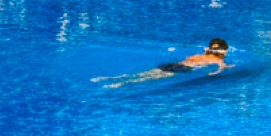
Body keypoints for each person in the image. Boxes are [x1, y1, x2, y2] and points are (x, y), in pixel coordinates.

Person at [98, 38, 230, 86]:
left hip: (174, 64)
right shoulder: (216, 59)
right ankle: (119, 84)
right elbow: (220, 68)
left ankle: (112, 78)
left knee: (146, 73)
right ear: (224, 51)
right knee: (146, 79)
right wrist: (220, 70)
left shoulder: (198, 54)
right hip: (183, 69)